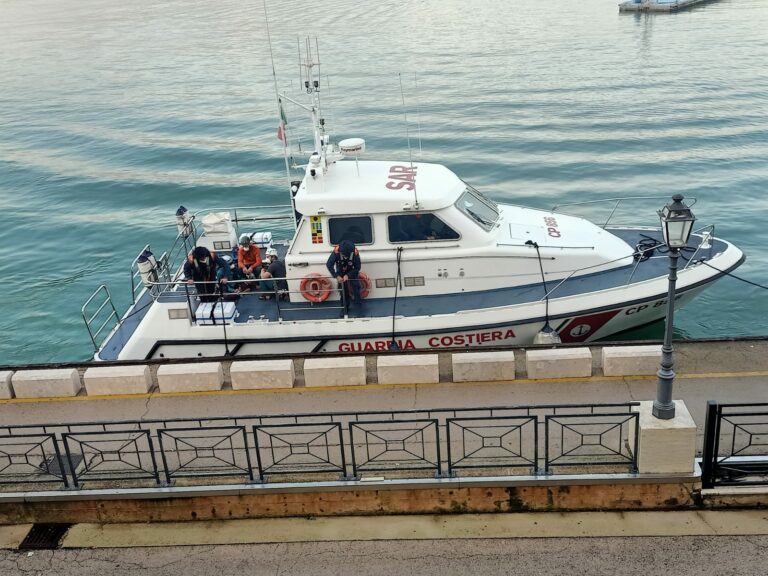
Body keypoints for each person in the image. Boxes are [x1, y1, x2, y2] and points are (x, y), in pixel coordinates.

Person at [326, 239, 361, 305]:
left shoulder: (355, 252)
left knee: (356, 288)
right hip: (340, 272)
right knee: (343, 291)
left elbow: (357, 267)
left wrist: (348, 275)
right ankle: (345, 307)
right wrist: (336, 276)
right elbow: (329, 265)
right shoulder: (336, 252)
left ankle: (358, 306)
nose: (345, 257)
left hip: (352, 271)